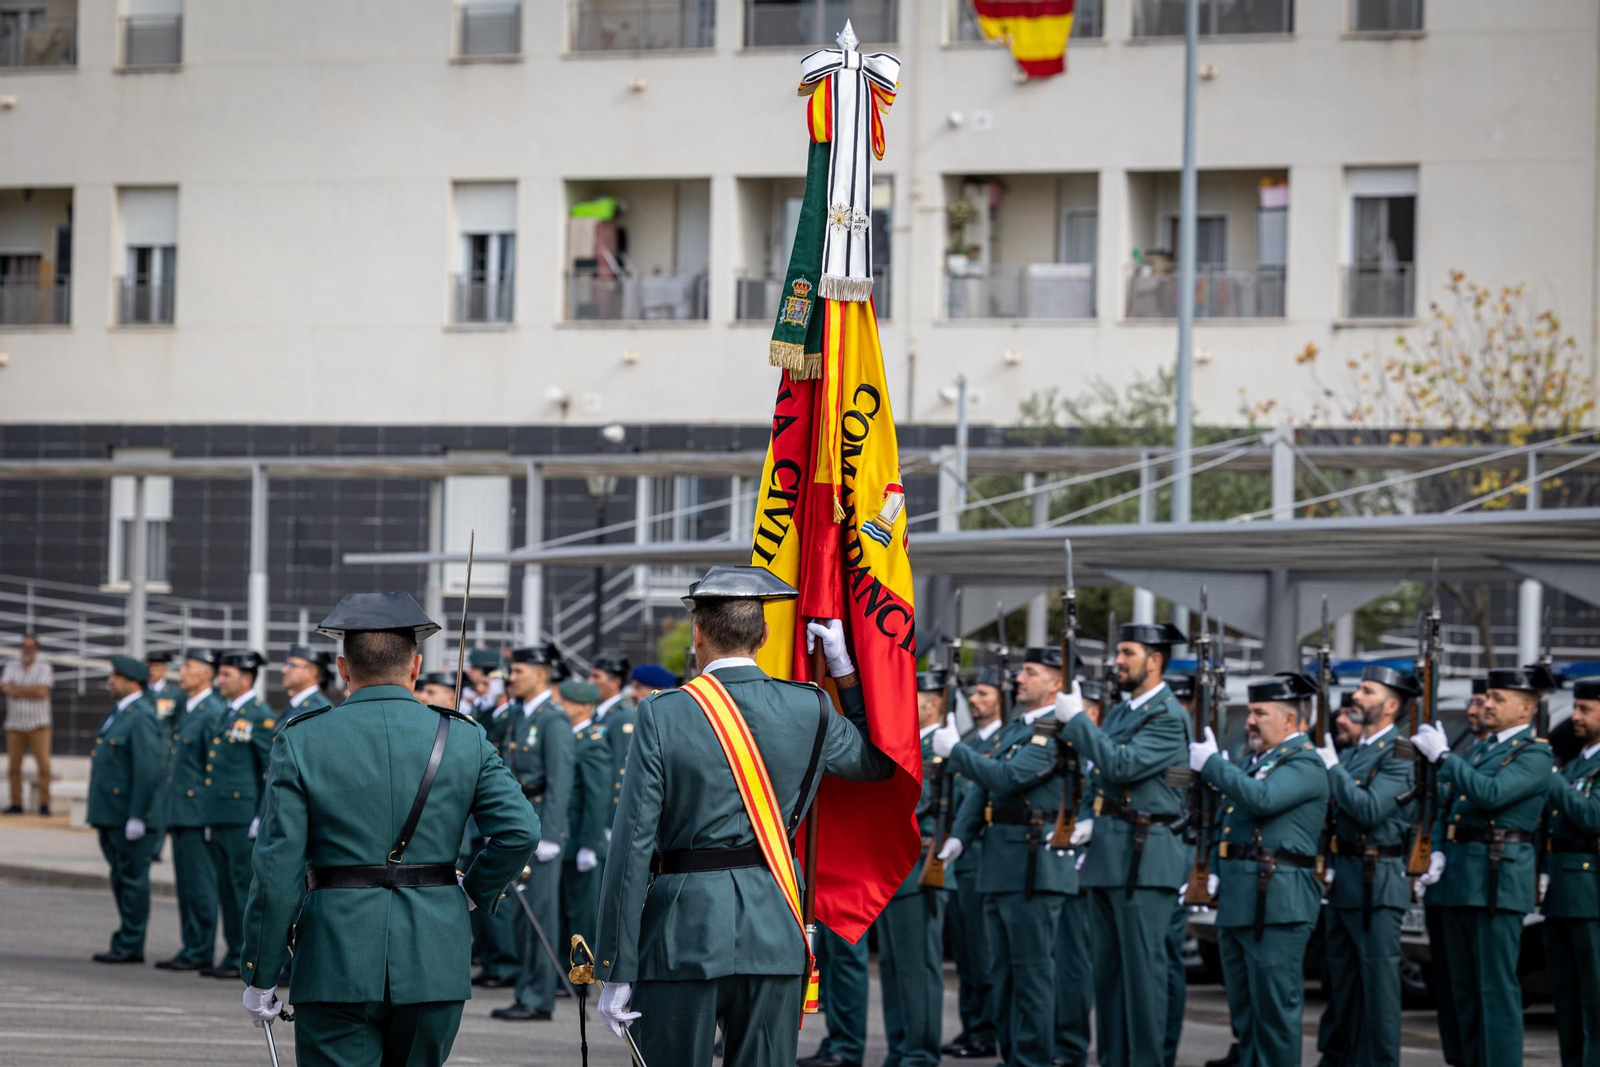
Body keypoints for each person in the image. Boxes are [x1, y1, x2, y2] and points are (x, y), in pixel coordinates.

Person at [592, 565, 897, 1067]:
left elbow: (632, 846)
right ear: (765, 635)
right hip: (776, 923)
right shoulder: (813, 706)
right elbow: (879, 761)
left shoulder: (663, 711)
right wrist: (844, 672)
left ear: (698, 634)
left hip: (682, 929)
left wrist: (616, 964)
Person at [238, 591, 539, 1065]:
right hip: (434, 953)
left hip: (335, 956)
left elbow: (277, 870)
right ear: (415, 666)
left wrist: (260, 971)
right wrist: (470, 892)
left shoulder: (301, 738)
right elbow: (520, 832)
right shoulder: (462, 735)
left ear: (342, 668)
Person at [1048, 622, 1191, 1067]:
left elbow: (1121, 764)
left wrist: (1076, 722)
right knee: (1109, 980)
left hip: (1145, 860)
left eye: (1128, 652)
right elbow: (1099, 774)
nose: (1118, 661)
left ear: (1155, 660)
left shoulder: (1168, 715)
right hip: (1112, 854)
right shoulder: (1126, 711)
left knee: (1144, 980)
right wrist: (1089, 816)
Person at [933, 647, 1080, 1067]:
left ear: (1055, 683)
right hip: (1001, 865)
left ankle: (1032, 1059)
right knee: (1004, 975)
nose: (1018, 679)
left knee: (1032, 975)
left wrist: (958, 754)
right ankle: (1011, 1056)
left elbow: (1011, 777)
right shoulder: (1016, 728)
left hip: (1034, 866)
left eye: (1030, 672)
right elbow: (983, 788)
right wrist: (961, 835)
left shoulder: (1055, 729)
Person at [1412, 665, 1556, 1067]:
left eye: (1498, 699)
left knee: (1494, 989)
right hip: (1459, 877)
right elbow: (1447, 806)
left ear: (1526, 709)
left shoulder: (1535, 755)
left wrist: (1442, 756)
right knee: (1462, 989)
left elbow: (1490, 794)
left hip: (1495, 879)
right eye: (1487, 697)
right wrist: (1437, 849)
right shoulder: (1480, 750)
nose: (1487, 705)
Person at [1189, 672, 1328, 1067]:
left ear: (1289, 720)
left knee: (1275, 1015)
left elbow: (1262, 800)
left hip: (1278, 904)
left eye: (1259, 713)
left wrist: (1213, 765)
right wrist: (1214, 867)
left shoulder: (1304, 763)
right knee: (1247, 1016)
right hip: (1243, 900)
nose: (1249, 721)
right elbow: (1229, 822)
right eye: (1249, 712)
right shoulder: (1258, 761)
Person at [1312, 664, 1418, 1067]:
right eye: (1359, 688)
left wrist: (1332, 768)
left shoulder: (1399, 752)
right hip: (1347, 881)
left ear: (1391, 705)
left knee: (1378, 990)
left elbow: (1370, 809)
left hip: (1378, 883)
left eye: (1367, 691)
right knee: (1345, 986)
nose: (1357, 696)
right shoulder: (1359, 750)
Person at [492, 644, 574, 1022]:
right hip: (521, 821)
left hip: (541, 823)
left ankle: (539, 996)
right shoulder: (519, 715)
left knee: (540, 912)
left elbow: (560, 781)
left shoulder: (552, 719)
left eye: (519, 671)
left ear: (540, 674)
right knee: (522, 915)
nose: (511, 678)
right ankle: (526, 991)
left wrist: (552, 834)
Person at [876, 670, 950, 1067]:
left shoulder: (941, 749)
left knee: (918, 965)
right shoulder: (911, 745)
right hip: (894, 869)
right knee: (893, 966)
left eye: (916, 696)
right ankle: (900, 1046)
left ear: (934, 702)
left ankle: (920, 1053)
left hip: (922, 866)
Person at [941, 666, 1005, 1061]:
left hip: (987, 858)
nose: (976, 700)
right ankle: (971, 1025)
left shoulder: (1003, 741)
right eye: (974, 694)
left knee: (985, 955)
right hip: (962, 863)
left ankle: (988, 1030)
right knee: (965, 954)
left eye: (984, 694)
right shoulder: (963, 741)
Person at [85, 654, 165, 962]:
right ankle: (125, 939)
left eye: (116, 676)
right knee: (121, 878)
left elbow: (147, 769)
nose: (110, 681)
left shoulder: (140, 715)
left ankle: (131, 943)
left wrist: (137, 815)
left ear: (132, 681)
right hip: (112, 814)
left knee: (132, 880)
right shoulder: (120, 713)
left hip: (129, 815)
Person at [201, 650, 273, 979]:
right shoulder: (225, 712)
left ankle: (246, 958)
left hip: (243, 817)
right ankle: (232, 952)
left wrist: (261, 816)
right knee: (226, 889)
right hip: (220, 814)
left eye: (227, 674)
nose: (220, 680)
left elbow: (269, 770)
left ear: (246, 678)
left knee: (244, 890)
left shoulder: (258, 715)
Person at [156, 648, 226, 971]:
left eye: (188, 667)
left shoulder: (212, 711)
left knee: (200, 885)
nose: (181, 673)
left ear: (206, 674)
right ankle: (191, 945)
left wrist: (210, 812)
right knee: (186, 884)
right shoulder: (189, 709)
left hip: (198, 813)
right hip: (182, 810)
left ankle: (200, 947)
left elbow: (215, 768)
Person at [1542, 679, 1600, 1067]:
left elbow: (1591, 817)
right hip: (1562, 889)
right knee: (1565, 996)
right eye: (1576, 708)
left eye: (1585, 710)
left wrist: (1550, 777)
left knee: (1594, 997)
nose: (1575, 717)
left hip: (1590, 892)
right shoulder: (1579, 761)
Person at [557, 677, 610, 954]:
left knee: (581, 913)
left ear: (584, 707)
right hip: (568, 838)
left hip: (581, 839)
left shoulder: (592, 742)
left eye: (566, 702)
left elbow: (596, 797)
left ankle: (583, 971)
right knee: (565, 909)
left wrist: (590, 844)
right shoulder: (572, 736)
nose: (560, 706)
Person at [4, 634, 55, 816]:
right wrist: (31, 690)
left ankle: (44, 804)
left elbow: (43, 691)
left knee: (44, 766)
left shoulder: (44, 667)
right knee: (13, 767)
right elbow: (5, 688)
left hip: (39, 725)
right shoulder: (11, 666)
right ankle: (16, 803)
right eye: (24, 646)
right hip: (14, 725)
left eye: (31, 646)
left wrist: (17, 690)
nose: (27, 650)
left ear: (36, 650)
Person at [591, 654, 636, 830]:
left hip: (606, 815)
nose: (591, 681)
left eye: (597, 676)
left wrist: (609, 820)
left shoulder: (622, 716)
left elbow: (620, 769)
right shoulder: (600, 713)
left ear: (616, 681)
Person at [280, 645, 334, 722]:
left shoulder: (317, 709)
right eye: (285, 665)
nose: (283, 670)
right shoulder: (297, 705)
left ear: (312, 672)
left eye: (291, 665)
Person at [145, 652, 179, 720]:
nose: (152, 670)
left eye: (156, 666)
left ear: (164, 669)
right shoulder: (141, 691)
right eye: (150, 666)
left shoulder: (174, 692)